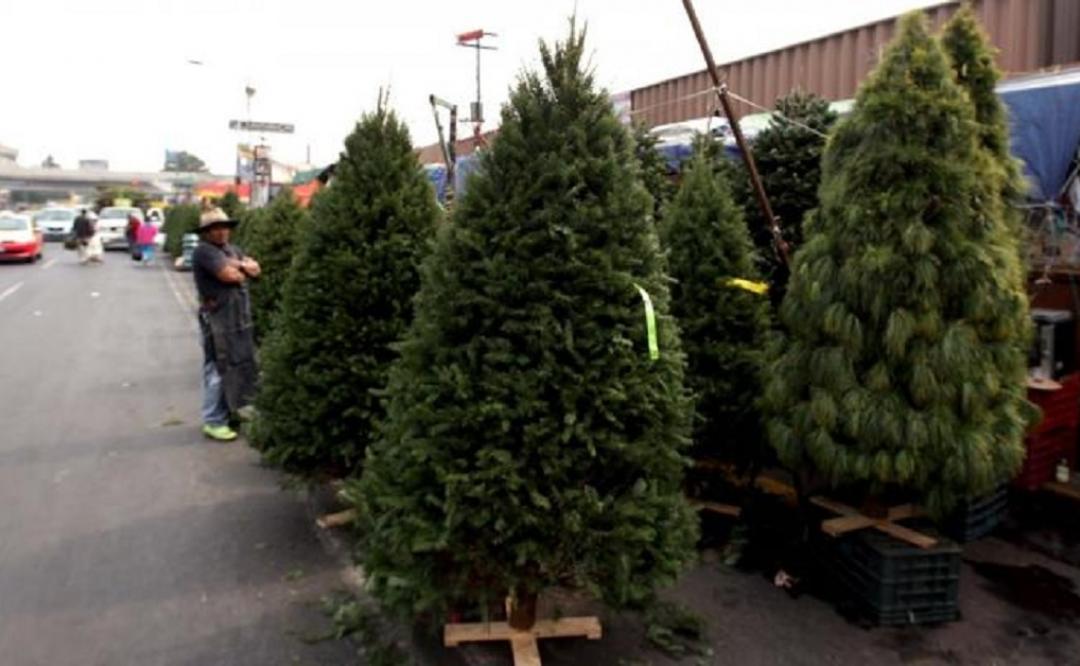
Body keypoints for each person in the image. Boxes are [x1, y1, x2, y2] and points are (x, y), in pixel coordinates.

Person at [192, 207, 261, 441]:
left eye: (224, 227)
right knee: (218, 368)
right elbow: (228, 275)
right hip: (217, 319)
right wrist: (242, 267)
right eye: (215, 229)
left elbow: (256, 270)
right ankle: (213, 420)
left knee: (241, 364)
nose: (222, 232)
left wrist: (239, 265)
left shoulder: (233, 250)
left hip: (238, 318)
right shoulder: (204, 251)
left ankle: (231, 411)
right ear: (206, 232)